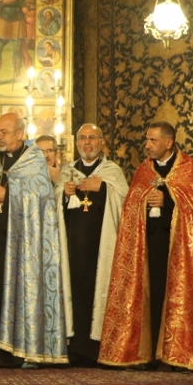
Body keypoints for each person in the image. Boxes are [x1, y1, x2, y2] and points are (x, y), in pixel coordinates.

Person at [100, 121, 193, 371]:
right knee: (149, 297)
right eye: (146, 140)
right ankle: (145, 354)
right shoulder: (143, 171)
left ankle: (178, 355)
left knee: (179, 297)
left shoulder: (188, 169)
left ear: (168, 142)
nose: (147, 145)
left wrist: (167, 200)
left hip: (182, 249)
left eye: (153, 140)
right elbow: (131, 206)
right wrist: (144, 201)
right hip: (149, 247)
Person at [0, 112, 67, 367]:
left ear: (20, 134)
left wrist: (7, 195)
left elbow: (41, 197)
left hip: (22, 245)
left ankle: (23, 352)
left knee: (19, 293)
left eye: (4, 132)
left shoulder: (33, 160)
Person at [57, 124, 126, 366]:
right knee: (74, 293)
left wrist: (103, 188)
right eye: (83, 138)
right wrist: (63, 194)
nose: (87, 142)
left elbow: (125, 201)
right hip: (73, 247)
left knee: (100, 292)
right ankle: (75, 349)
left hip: (102, 245)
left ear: (102, 142)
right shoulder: (67, 172)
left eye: (92, 138)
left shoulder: (112, 171)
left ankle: (99, 350)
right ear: (77, 143)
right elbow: (52, 207)